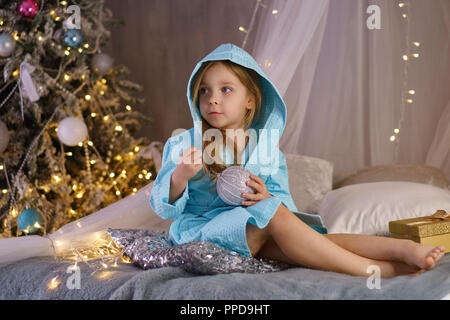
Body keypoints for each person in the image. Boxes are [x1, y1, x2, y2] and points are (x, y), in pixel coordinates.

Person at [150, 43, 445, 278]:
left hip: (255, 237)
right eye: (204, 90)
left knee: (307, 235)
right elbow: (161, 206)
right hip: (204, 233)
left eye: (226, 89)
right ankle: (374, 269)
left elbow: (283, 207)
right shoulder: (185, 143)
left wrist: (266, 197)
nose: (213, 99)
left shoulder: (267, 150)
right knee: (273, 214)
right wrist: (180, 177)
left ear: (250, 99)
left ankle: (400, 251)